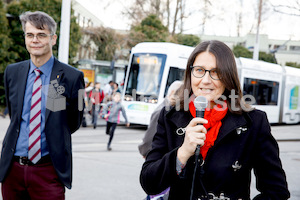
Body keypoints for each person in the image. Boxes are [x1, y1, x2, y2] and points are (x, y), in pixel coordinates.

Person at [140, 40, 290, 200]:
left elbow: (276, 191)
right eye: (199, 70)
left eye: (216, 72)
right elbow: (150, 183)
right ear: (190, 73)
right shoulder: (170, 116)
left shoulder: (254, 121)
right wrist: (182, 153)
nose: (205, 80)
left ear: (228, 77)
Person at [0, 11, 84, 200]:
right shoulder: (12, 72)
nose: (35, 40)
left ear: (53, 39)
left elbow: (75, 121)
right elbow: (15, 114)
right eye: (30, 35)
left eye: (41, 35)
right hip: (12, 171)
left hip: (48, 172)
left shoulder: (72, 77)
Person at [138, 80, 183, 158]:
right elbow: (150, 136)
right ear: (172, 92)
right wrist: (145, 151)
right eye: (181, 94)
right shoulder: (162, 111)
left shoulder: (170, 109)